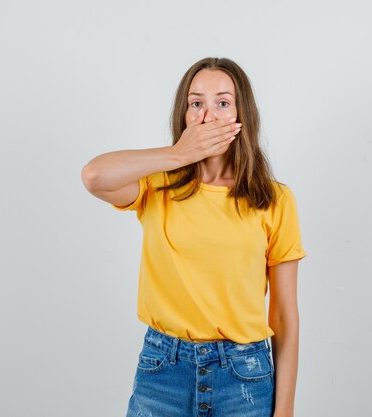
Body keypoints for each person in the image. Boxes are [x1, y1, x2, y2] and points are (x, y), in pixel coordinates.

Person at [81, 57, 306, 417]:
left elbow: (284, 314)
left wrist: (286, 410)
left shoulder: (274, 200)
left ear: (240, 114)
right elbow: (94, 176)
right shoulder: (158, 185)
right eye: (196, 103)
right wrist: (178, 154)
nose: (208, 115)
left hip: (244, 377)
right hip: (163, 372)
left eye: (223, 102)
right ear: (184, 115)